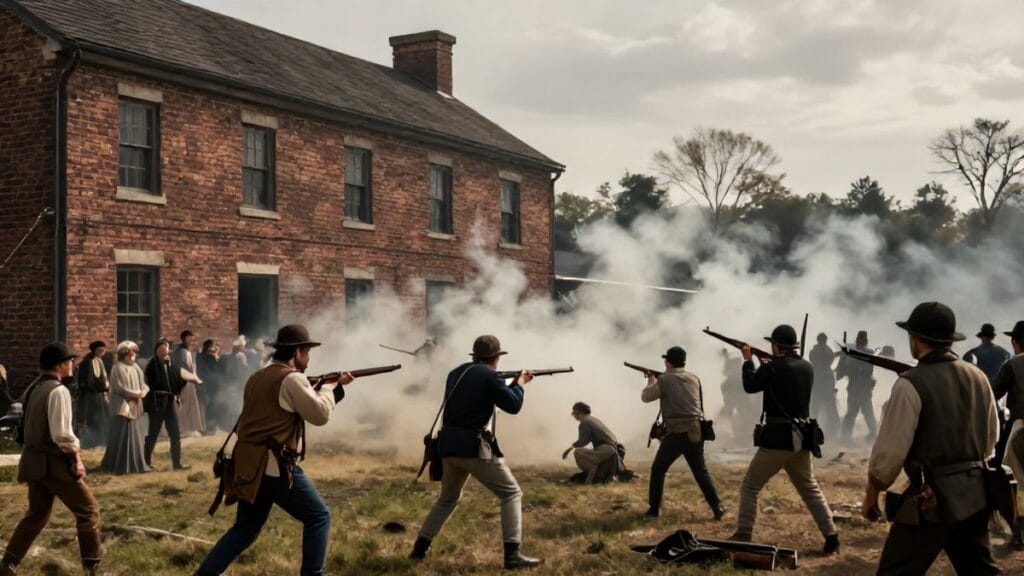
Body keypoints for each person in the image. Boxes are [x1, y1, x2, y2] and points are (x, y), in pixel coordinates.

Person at [195, 324, 352, 576]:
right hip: (274, 465)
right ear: (297, 352)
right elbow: (320, 414)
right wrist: (329, 388)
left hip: (250, 464)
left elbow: (281, 407)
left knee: (244, 530)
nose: (308, 358)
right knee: (318, 516)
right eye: (307, 352)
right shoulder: (291, 378)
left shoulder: (258, 376)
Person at [863, 302, 999, 574]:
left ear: (915, 338)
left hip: (930, 501)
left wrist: (872, 492)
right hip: (975, 493)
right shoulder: (979, 377)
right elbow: (990, 440)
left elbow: (890, 452)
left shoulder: (910, 383)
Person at [410, 335, 541, 569]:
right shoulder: (490, 377)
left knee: (447, 500)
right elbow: (512, 406)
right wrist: (519, 384)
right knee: (512, 493)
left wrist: (507, 384)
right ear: (496, 357)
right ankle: (513, 555)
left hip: (448, 445)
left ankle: (418, 551)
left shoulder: (456, 373)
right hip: (472, 446)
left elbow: (479, 395)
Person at [732, 325, 840, 554]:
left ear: (776, 346)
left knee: (750, 487)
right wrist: (765, 362)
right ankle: (832, 535)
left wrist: (747, 360)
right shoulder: (807, 367)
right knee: (810, 488)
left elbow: (750, 385)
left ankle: (743, 533)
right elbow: (783, 380)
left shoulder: (772, 368)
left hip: (777, 438)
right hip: (802, 437)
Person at [0, 342, 101, 575]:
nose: (72, 364)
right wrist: (77, 459)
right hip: (53, 463)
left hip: (34, 462)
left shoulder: (35, 388)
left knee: (36, 515)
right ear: (60, 365)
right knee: (88, 510)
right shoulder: (58, 391)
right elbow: (62, 435)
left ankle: (7, 564)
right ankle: (92, 568)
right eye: (69, 361)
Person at [642, 346, 725, 520]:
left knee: (658, 469)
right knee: (700, 471)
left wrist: (651, 379)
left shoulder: (664, 380)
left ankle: (653, 511)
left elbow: (646, 396)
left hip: (677, 432)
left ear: (668, 362)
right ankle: (717, 507)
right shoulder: (694, 378)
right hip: (696, 430)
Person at [993, 320, 1024, 546]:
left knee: (1009, 479)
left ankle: (1017, 531)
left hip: (1020, 431)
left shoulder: (1013, 365)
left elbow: (990, 396)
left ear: (1015, 342)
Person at [100, 341, 151, 474]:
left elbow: (144, 384)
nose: (132, 355)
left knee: (135, 435)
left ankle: (137, 464)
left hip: (135, 404)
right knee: (122, 435)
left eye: (134, 352)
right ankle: (120, 465)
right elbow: (120, 388)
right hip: (123, 406)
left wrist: (144, 391)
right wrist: (136, 393)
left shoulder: (136, 368)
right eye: (129, 353)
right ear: (123, 355)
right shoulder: (118, 368)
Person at [144, 338, 188, 470]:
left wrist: (169, 367)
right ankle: (146, 462)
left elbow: (179, 381)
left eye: (166, 349)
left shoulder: (171, 364)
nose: (164, 352)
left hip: (169, 402)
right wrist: (164, 367)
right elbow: (156, 382)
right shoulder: (152, 365)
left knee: (175, 433)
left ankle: (177, 462)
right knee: (153, 434)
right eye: (161, 350)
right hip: (158, 402)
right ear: (157, 351)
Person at [561, 401, 624, 484]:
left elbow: (583, 441)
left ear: (580, 412)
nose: (573, 414)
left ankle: (592, 472)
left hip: (607, 452)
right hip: (613, 454)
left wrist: (570, 448)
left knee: (578, 453)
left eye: (574, 412)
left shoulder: (584, 422)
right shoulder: (594, 419)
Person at [838, 330, 877, 444]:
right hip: (858, 386)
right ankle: (846, 437)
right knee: (856, 412)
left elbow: (868, 370)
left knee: (863, 412)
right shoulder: (856, 353)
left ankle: (870, 435)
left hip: (861, 386)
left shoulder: (863, 353)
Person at [75, 340, 110, 449]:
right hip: (91, 395)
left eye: (104, 350)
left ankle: (100, 440)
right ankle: (89, 442)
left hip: (99, 394)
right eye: (100, 350)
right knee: (91, 417)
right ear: (94, 350)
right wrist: (99, 388)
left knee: (102, 417)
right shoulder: (87, 362)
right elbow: (88, 381)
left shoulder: (99, 360)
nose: (102, 352)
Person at [173, 330, 206, 437]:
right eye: (189, 339)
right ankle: (184, 429)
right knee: (185, 406)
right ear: (183, 339)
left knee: (192, 406)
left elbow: (193, 368)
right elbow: (179, 368)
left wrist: (195, 379)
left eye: (192, 339)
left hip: (191, 382)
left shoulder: (191, 353)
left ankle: (193, 428)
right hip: (183, 382)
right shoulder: (179, 352)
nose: (191, 341)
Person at [809, 333, 841, 439]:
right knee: (829, 407)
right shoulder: (828, 351)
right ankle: (831, 430)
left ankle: (812, 429)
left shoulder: (814, 351)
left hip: (819, 380)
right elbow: (830, 358)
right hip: (826, 379)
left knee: (816, 407)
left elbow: (813, 360)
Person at [196, 339, 222, 433]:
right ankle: (211, 427)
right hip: (210, 384)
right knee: (211, 405)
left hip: (203, 383)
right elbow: (217, 370)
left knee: (205, 405)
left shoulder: (199, 357)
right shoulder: (210, 357)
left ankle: (206, 426)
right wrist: (216, 355)